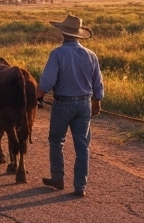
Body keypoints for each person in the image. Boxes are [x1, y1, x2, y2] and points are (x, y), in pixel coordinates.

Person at [37, 14, 103, 197]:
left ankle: (58, 177)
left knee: (56, 141)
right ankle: (80, 186)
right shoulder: (91, 55)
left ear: (62, 33)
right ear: (78, 34)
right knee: (82, 145)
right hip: (84, 104)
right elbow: (98, 82)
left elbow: (46, 82)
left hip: (64, 103)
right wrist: (97, 101)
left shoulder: (57, 54)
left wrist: (36, 96)